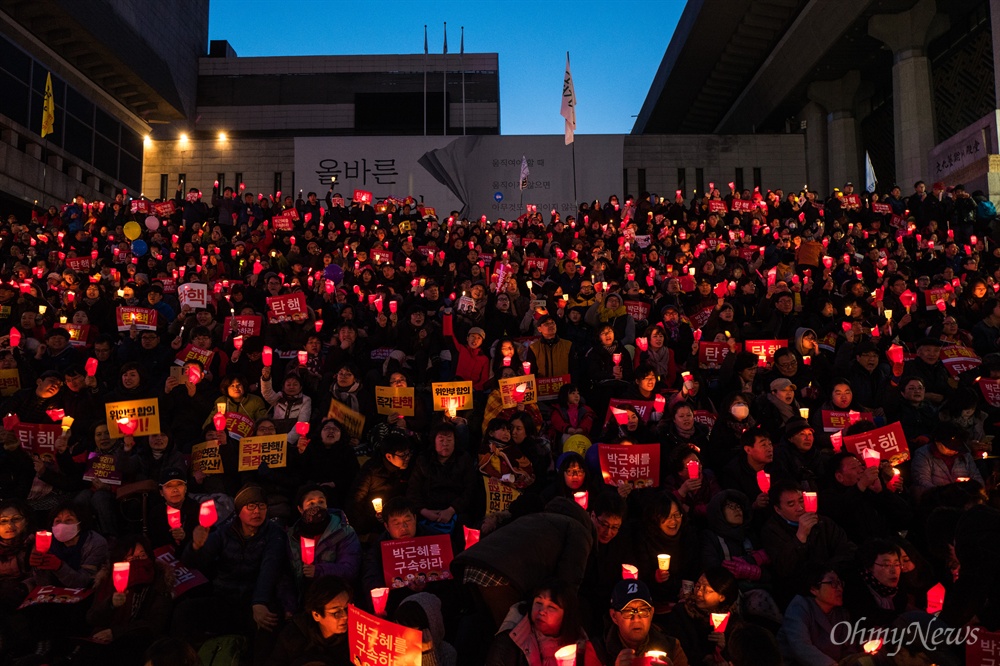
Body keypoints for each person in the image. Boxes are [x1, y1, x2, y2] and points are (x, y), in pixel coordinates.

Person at [760, 480, 853, 608]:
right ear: (778, 509)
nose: (800, 508)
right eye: (791, 504)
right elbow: (784, 569)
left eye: (801, 501)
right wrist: (800, 536)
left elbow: (846, 549)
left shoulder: (823, 523)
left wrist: (827, 573)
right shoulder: (772, 530)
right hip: (797, 593)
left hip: (831, 582)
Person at [485, 578, 601, 666]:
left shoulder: (579, 643)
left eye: (551, 607)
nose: (541, 611)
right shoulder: (512, 640)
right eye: (538, 603)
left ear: (566, 615)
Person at [286, 484, 361, 592]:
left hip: (335, 594)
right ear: (300, 509)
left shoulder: (344, 532)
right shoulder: (292, 536)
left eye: (321, 502)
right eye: (311, 503)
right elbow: (286, 577)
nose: (317, 506)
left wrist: (318, 571)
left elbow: (350, 569)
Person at [597, 579, 689, 666]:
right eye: (628, 611)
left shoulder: (671, 647)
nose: (636, 619)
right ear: (614, 616)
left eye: (643, 610)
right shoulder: (598, 651)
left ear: (652, 613)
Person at [777, 566, 855, 665]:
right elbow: (801, 647)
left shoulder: (842, 615)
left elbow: (849, 649)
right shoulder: (799, 608)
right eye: (833, 583)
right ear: (814, 589)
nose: (840, 589)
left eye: (840, 583)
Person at [266, 575, 352, 666]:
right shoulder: (294, 635)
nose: (345, 616)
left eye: (347, 608)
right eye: (336, 612)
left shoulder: (357, 636)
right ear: (316, 615)